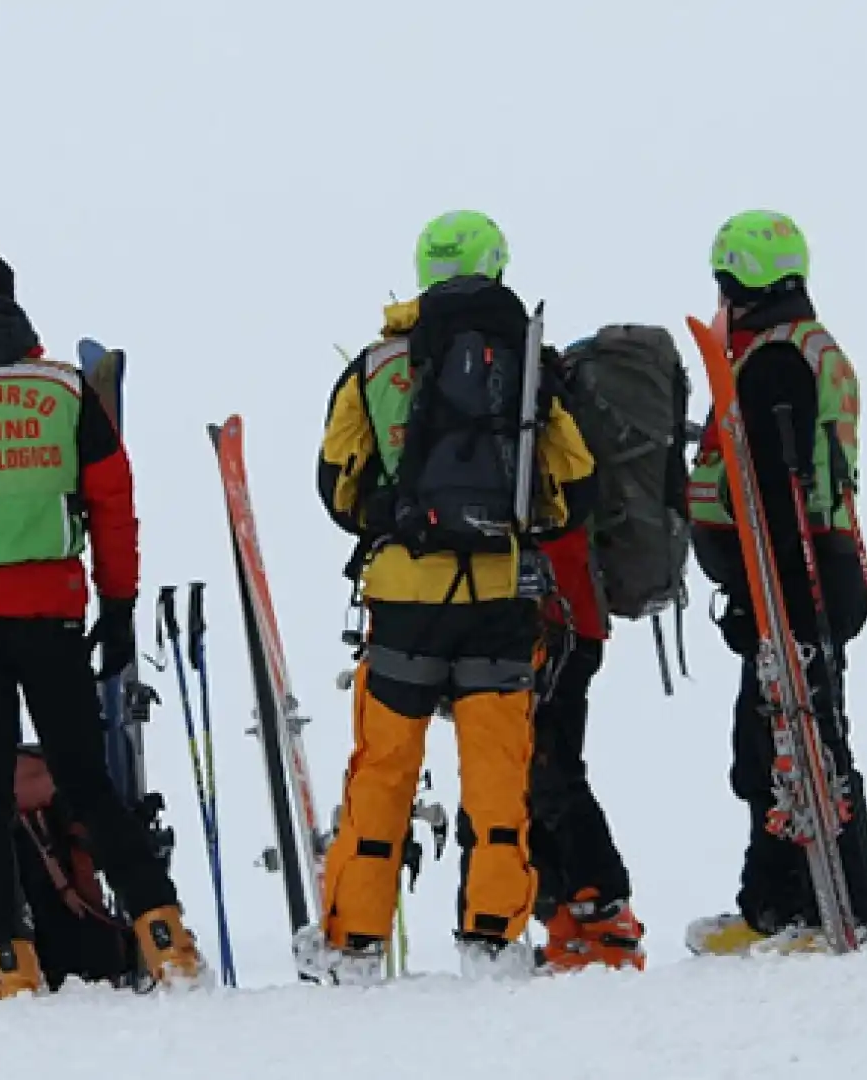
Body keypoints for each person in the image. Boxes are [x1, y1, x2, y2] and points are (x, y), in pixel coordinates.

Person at [0, 243, 207, 998]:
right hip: (53, 615)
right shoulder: (63, 394)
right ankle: (164, 937)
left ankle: (7, 960)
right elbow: (115, 505)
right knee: (88, 786)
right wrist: (118, 609)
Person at [303, 211, 598, 983]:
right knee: (499, 773)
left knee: (383, 770)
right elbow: (574, 487)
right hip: (501, 596)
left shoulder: (375, 366)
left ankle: (353, 943)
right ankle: (493, 939)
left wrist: (394, 522)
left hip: (404, 597)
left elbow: (338, 486)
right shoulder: (527, 367)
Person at [682, 211, 867, 954]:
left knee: (812, 738)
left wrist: (758, 583)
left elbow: (773, 487)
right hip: (791, 576)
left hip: (795, 576)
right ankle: (773, 904)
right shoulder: (800, 345)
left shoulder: (775, 360)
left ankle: (845, 907)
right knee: (765, 745)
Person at [529, 523, 645, 971]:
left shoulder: (546, 455)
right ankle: (571, 921)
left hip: (558, 616)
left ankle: (604, 917)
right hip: (558, 613)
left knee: (549, 770)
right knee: (530, 774)